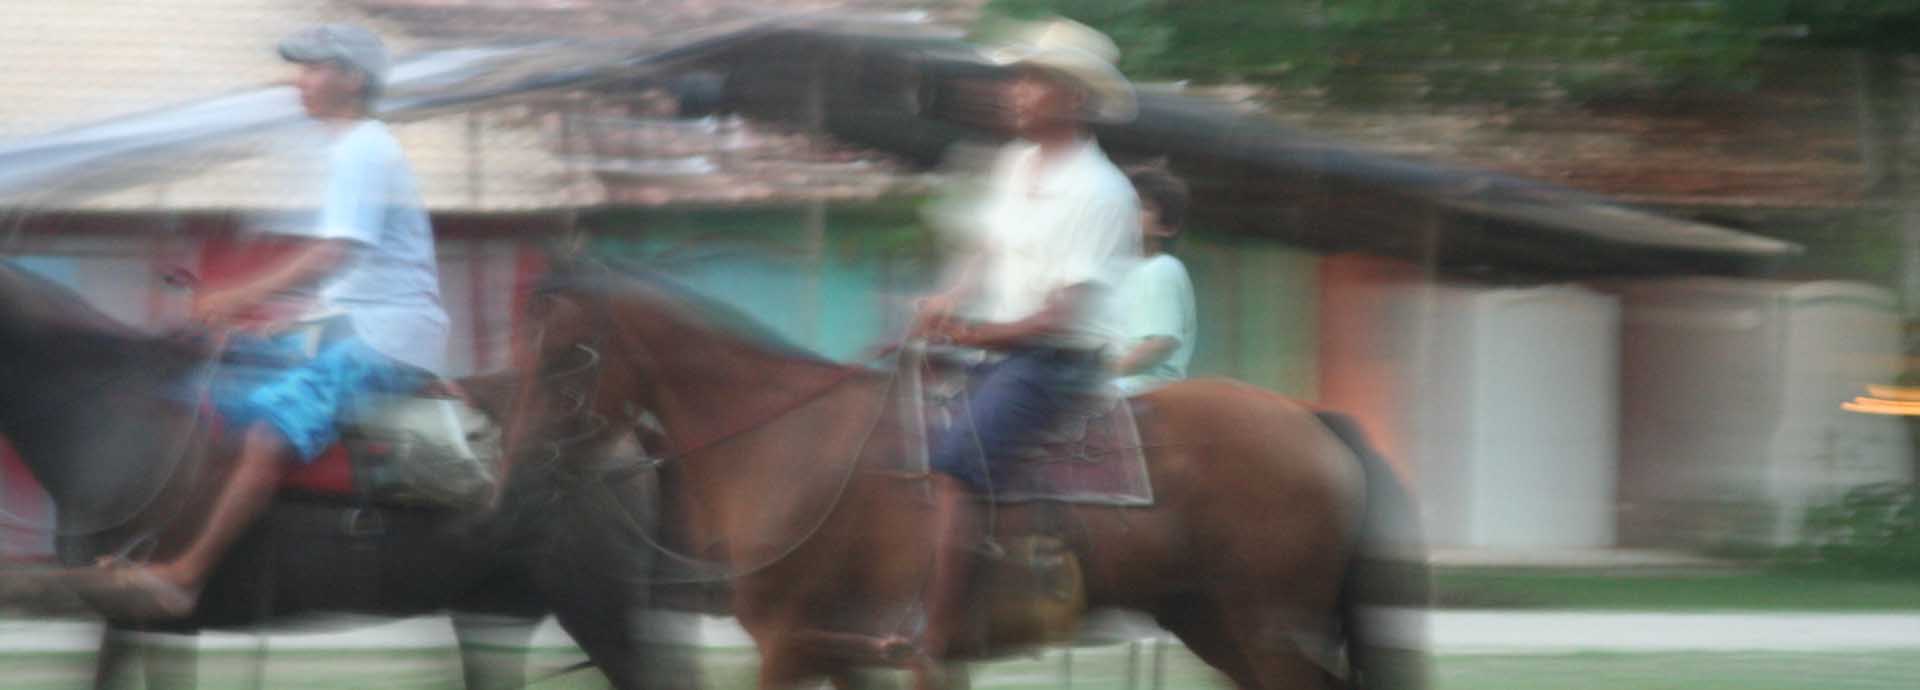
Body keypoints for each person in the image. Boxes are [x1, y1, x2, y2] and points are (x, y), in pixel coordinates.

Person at [83, 24, 449, 619]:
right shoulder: (348, 151)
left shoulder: (364, 148)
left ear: (352, 80)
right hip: (356, 328)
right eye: (301, 69)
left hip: (390, 340)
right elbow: (344, 283)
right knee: (215, 391)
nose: (300, 82)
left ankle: (186, 576)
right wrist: (268, 328)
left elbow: (336, 252)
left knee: (267, 431)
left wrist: (236, 296)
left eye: (315, 69)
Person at [903, 17, 1140, 665]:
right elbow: (982, 252)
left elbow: (1058, 318)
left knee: (955, 462)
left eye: (1033, 80)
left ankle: (937, 637)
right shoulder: (1013, 165)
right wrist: (945, 299)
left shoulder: (1099, 190)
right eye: (1016, 78)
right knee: (887, 424)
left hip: (1055, 362)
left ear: (1073, 98)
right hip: (997, 347)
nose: (1014, 90)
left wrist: (974, 331)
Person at [1110, 165, 1196, 395]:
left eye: (1142, 207)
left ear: (1166, 227)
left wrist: (1096, 376)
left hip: (1143, 388)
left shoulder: (1161, 269)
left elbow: (1159, 345)